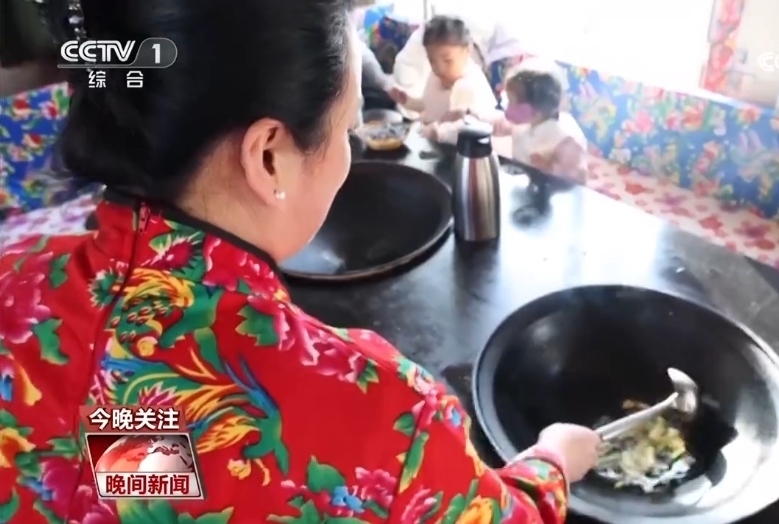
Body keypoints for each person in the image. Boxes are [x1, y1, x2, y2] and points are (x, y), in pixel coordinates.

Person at [0, 0, 601, 522]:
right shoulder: (384, 417)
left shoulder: (14, 285)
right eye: (347, 130)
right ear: (268, 158)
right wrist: (551, 461)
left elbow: (127, 466)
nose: (347, 153)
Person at [386, 15, 499, 144]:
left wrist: (438, 131)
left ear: (468, 50)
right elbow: (430, 106)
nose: (439, 68)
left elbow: (467, 126)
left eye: (447, 60)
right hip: (429, 142)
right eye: (432, 61)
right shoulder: (436, 77)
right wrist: (407, 101)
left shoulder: (469, 86)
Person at [492, 60, 590, 182]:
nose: (507, 109)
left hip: (553, 189)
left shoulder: (565, 139)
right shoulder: (524, 123)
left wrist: (551, 168)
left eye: (511, 102)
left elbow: (579, 178)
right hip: (524, 179)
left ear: (535, 111)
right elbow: (504, 126)